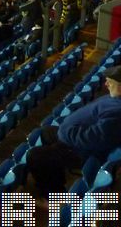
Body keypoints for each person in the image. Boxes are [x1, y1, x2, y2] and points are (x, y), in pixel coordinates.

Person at [27, 64, 121, 197]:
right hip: (73, 138)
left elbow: (96, 139)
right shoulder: (115, 99)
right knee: (45, 132)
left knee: (35, 155)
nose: (106, 84)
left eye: (110, 82)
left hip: (81, 150)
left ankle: (54, 194)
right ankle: (54, 174)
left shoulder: (117, 112)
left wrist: (65, 133)